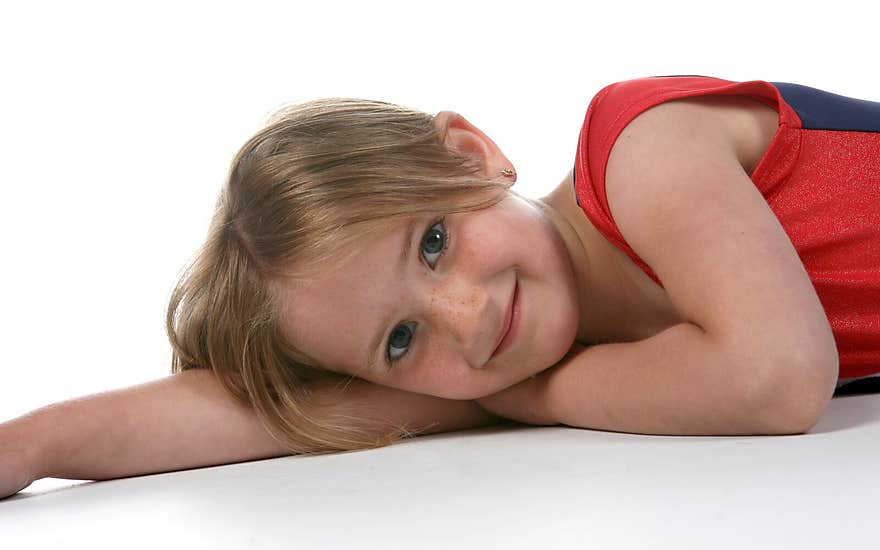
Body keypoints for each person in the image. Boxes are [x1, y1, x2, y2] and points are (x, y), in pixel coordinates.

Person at [2, 75, 878, 500]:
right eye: (397, 342)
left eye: (431, 242)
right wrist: (28, 447)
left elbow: (775, 375)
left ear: (472, 156)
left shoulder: (640, 149)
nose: (465, 316)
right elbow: (261, 411)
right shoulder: (508, 361)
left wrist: (542, 397)